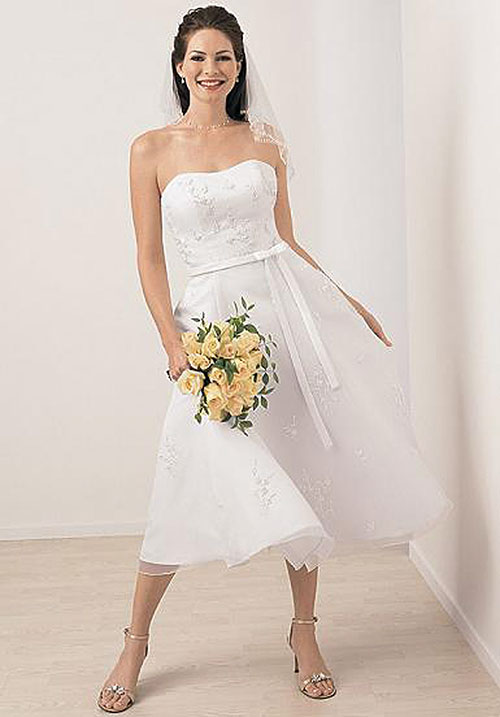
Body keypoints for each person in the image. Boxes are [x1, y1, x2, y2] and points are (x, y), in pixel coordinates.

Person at [97, 5, 454, 712]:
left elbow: (286, 242)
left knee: (302, 469)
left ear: (239, 65)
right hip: (212, 327)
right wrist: (172, 343)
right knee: (180, 479)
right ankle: (135, 642)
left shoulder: (265, 140)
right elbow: (149, 257)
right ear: (179, 66)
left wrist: (347, 302)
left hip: (284, 315)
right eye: (199, 57)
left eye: (224, 57)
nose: (211, 69)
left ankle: (304, 632)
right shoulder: (150, 150)